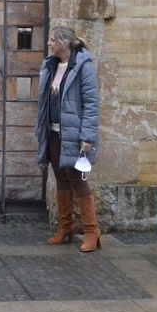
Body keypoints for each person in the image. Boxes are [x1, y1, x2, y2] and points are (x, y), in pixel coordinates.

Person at [35, 25, 102, 252]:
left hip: (74, 136)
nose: (49, 43)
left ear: (63, 43)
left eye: (52, 40)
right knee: (60, 179)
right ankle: (65, 228)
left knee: (77, 181)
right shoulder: (51, 65)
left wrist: (87, 137)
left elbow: (91, 104)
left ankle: (92, 231)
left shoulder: (83, 66)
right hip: (53, 133)